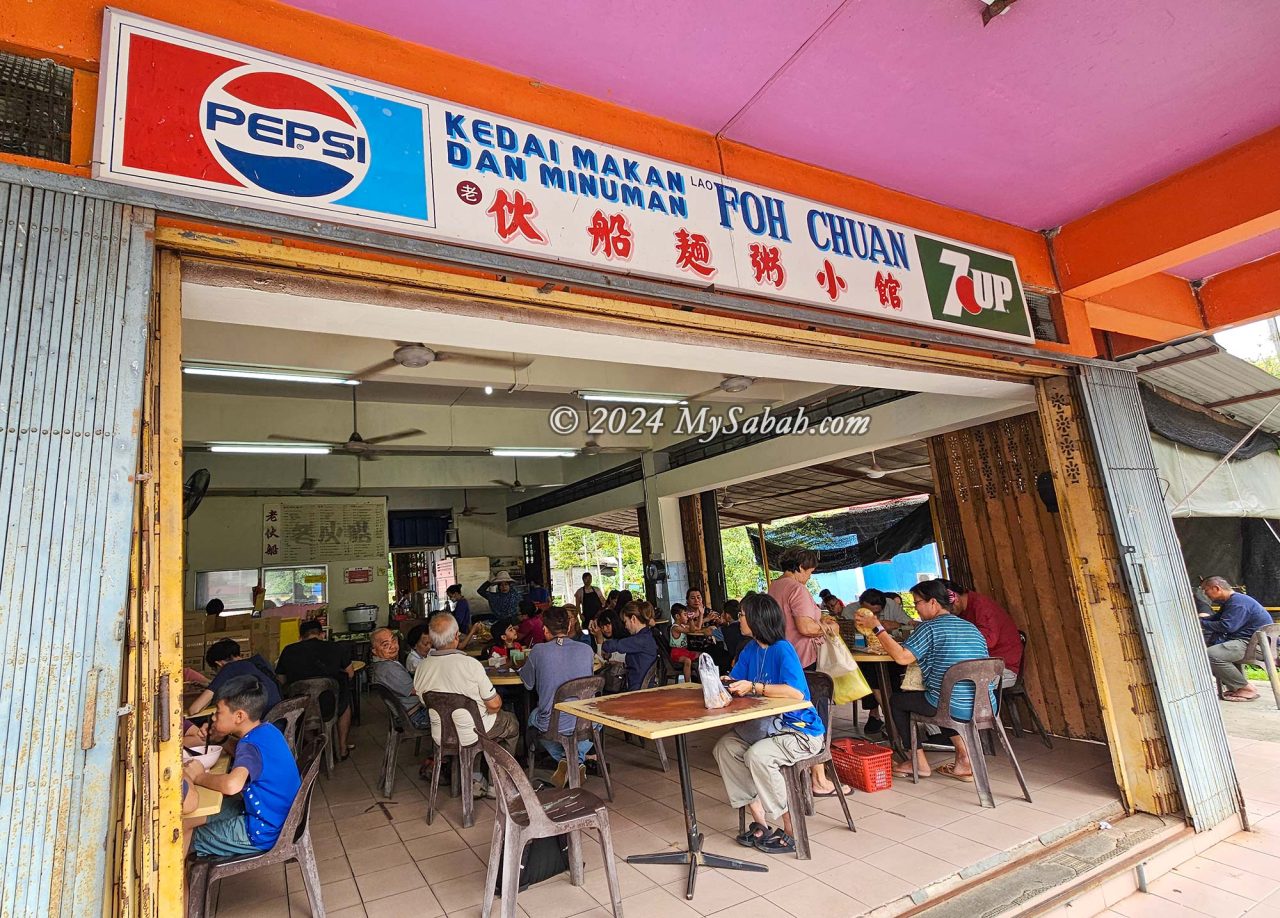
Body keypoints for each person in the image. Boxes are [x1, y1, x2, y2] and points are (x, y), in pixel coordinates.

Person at [714, 593, 834, 856]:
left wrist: (755, 687)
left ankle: (792, 828)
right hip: (767, 728)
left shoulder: (782, 649)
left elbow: (796, 693)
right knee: (725, 748)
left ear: (757, 618)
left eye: (742, 615)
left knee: (759, 755)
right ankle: (760, 822)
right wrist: (724, 683)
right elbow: (736, 681)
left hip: (799, 731)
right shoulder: (751, 650)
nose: (739, 619)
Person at [856, 579, 992, 781]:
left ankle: (917, 763)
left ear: (933, 603)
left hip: (951, 705)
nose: (915, 609)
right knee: (942, 696)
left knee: (898, 701)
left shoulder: (929, 628)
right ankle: (964, 759)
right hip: (984, 704)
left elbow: (902, 657)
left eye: (917, 602)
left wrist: (877, 628)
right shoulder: (972, 629)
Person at [185, 675, 301, 857]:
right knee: (193, 818)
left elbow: (232, 785)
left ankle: (182, 884)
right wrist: (222, 739)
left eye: (218, 711)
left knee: (186, 835)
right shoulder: (267, 730)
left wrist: (199, 776)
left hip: (263, 831)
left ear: (239, 716)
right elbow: (249, 758)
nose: (213, 717)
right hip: (280, 817)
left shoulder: (250, 745)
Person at [413, 613, 520, 798]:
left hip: (442, 735)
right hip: (475, 731)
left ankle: (475, 780)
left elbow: (424, 701)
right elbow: (494, 705)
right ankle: (498, 783)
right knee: (510, 723)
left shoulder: (422, 667)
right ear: (456, 637)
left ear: (431, 639)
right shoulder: (470, 664)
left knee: (474, 728)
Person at [767, 547, 840, 795]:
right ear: (799, 567)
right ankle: (818, 777)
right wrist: (827, 626)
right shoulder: (796, 588)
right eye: (809, 571)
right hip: (802, 658)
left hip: (781, 659)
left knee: (791, 714)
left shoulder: (773, 587)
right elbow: (805, 627)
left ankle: (798, 770)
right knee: (814, 714)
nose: (809, 576)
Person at [520, 606, 597, 786]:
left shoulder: (538, 651)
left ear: (545, 629)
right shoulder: (586, 650)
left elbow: (528, 683)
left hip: (552, 723)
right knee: (597, 723)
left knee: (532, 719)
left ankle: (569, 762)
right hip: (586, 719)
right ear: (570, 625)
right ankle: (576, 761)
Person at [274, 619, 356, 758]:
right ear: (322, 634)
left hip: (301, 708)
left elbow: (280, 680)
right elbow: (350, 674)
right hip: (331, 706)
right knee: (345, 704)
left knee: (293, 707)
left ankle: (315, 746)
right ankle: (342, 748)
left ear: (300, 637)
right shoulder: (336, 648)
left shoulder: (288, 650)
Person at [1201, 576, 1273, 702]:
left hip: (1254, 645)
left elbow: (1227, 626)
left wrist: (1200, 624)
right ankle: (1237, 688)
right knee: (1219, 649)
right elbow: (1218, 618)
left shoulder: (1237, 603)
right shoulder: (1232, 601)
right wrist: (1199, 620)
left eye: (1206, 590)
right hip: (1251, 642)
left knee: (1211, 655)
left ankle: (1245, 688)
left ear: (1216, 588)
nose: (1205, 594)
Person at [941, 579, 1022, 687]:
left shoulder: (981, 606)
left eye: (948, 610)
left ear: (955, 599)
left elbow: (988, 641)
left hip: (1004, 669)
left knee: (955, 686)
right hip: (985, 664)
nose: (948, 614)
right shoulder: (963, 611)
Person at [189, 639, 281, 717]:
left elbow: (194, 709)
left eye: (215, 670)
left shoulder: (229, 668)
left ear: (219, 664)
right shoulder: (258, 662)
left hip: (259, 725)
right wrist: (209, 685)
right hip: (277, 720)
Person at [368, 627, 428, 728]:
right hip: (416, 716)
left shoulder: (382, 665)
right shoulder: (388, 669)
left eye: (394, 640)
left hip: (410, 712)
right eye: (386, 645)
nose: (393, 646)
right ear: (374, 651)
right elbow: (415, 690)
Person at [597, 600, 658, 690]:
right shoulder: (646, 636)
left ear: (633, 619)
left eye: (625, 622)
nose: (625, 626)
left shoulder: (640, 640)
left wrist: (602, 644)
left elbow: (613, 645)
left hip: (637, 688)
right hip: (641, 684)